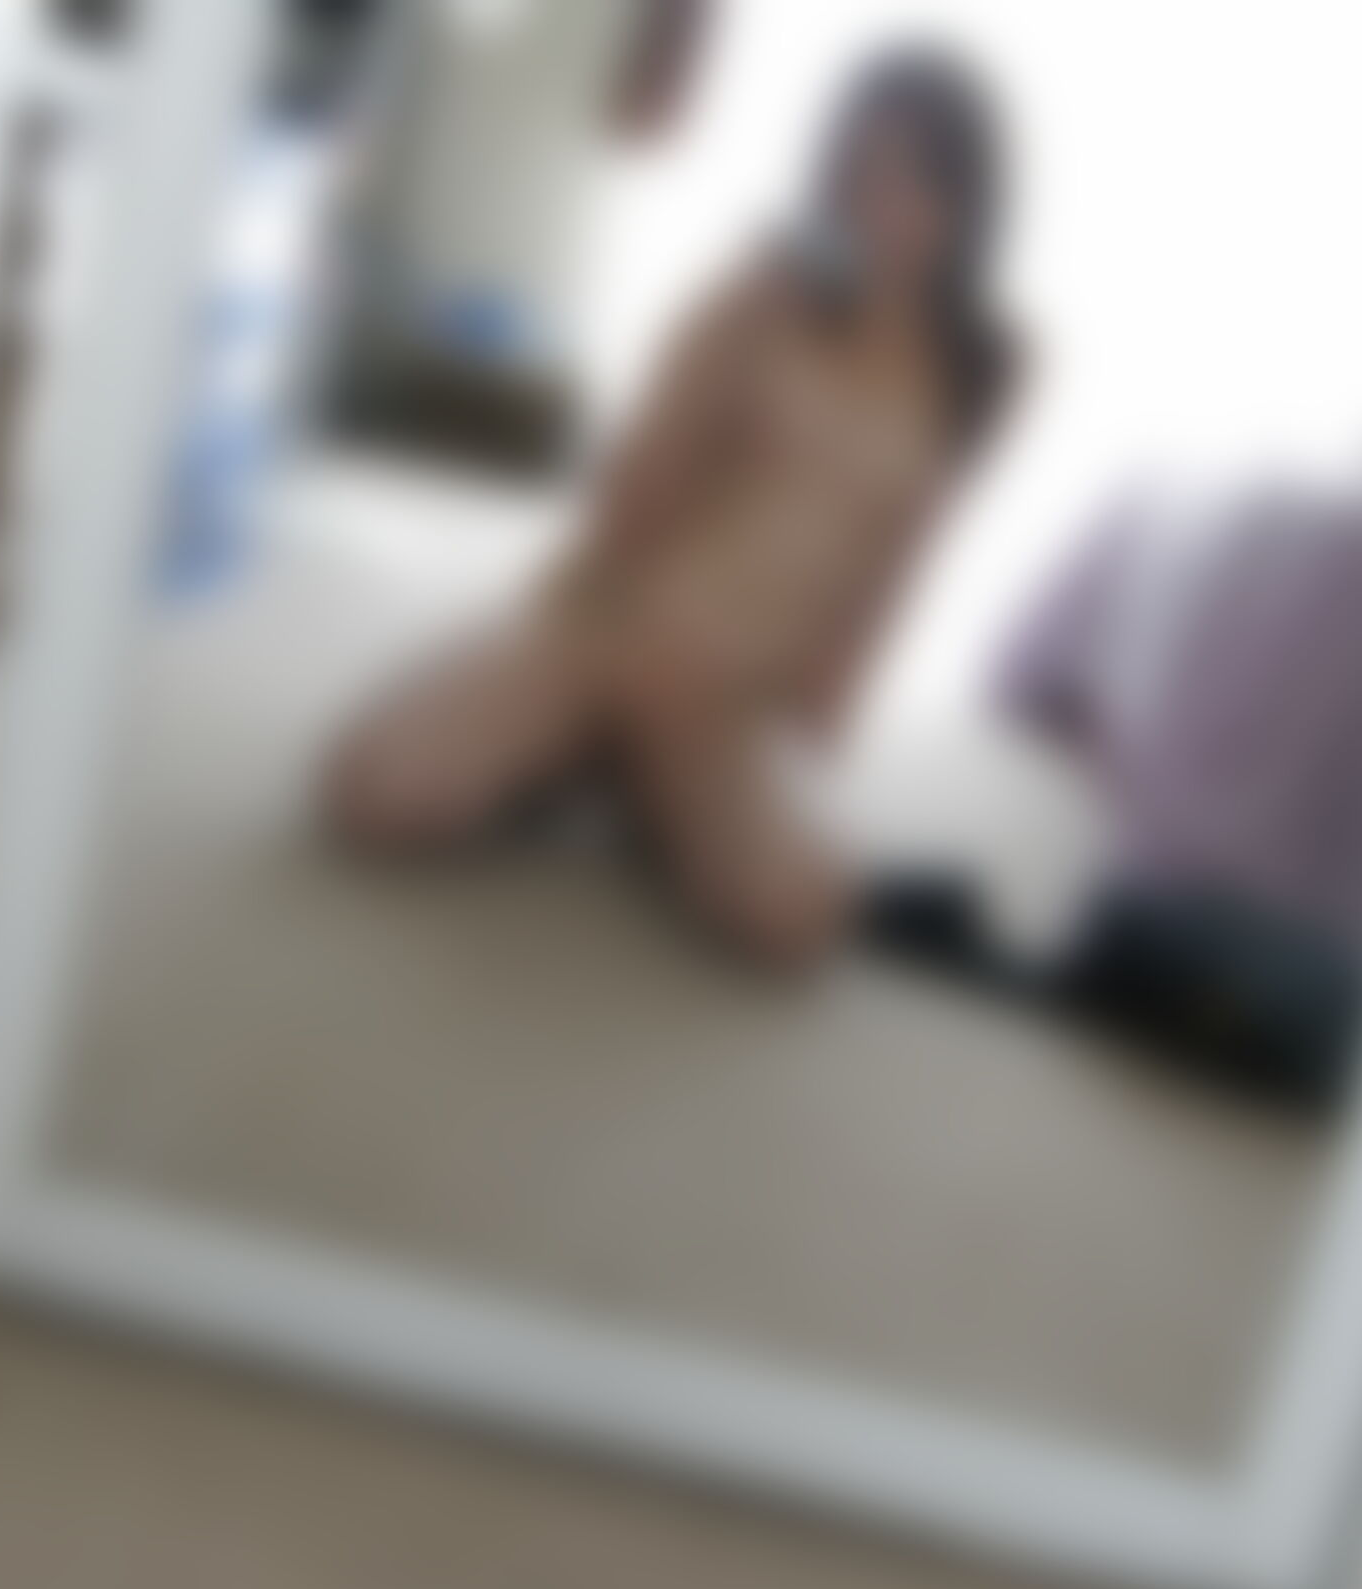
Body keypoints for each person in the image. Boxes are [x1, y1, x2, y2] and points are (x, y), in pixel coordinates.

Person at [323, 44, 1020, 970]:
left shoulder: (982, 367)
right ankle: (581, 747)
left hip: (720, 697)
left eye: (915, 176)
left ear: (967, 199)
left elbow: (909, 554)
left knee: (798, 923)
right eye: (861, 168)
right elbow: (636, 483)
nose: (883, 201)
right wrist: (736, 322)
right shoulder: (766, 291)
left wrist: (828, 698)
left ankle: (622, 772)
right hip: (623, 625)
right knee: (372, 795)